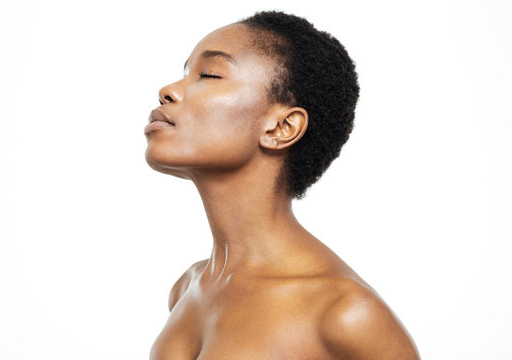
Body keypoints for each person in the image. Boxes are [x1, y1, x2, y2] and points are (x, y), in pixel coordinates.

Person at [144, 10, 420, 360]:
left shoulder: (344, 312)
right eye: (185, 73)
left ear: (281, 127)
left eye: (209, 74)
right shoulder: (188, 288)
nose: (168, 90)